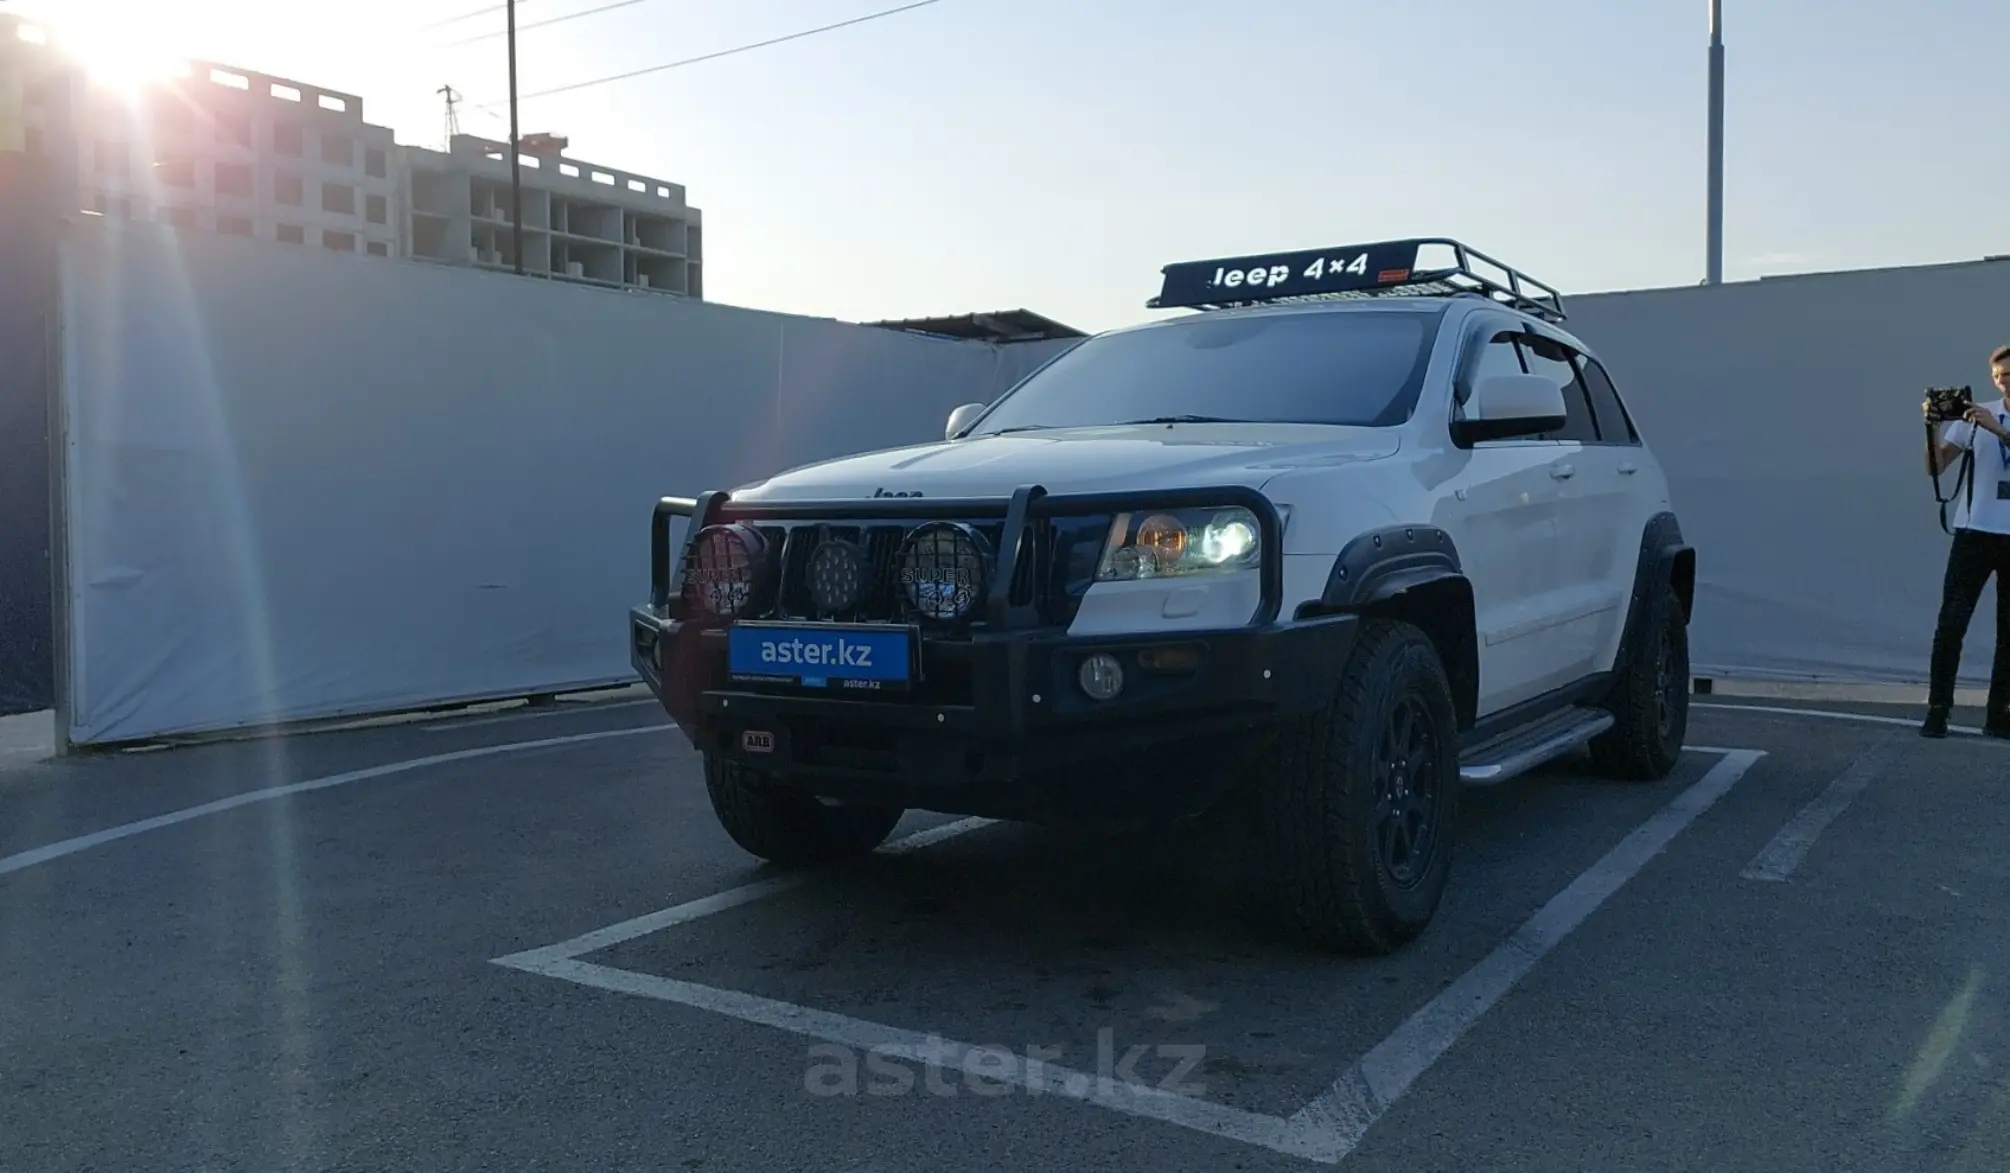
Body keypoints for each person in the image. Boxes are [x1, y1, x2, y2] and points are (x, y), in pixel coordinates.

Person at [1921, 343, 2010, 738]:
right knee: (1951, 623)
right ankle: (1938, 710)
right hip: (1975, 532)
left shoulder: (1990, 420)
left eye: (2007, 374)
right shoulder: (1974, 417)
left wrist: (1998, 429)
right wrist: (1933, 427)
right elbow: (1936, 466)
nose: (2002, 380)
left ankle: (1999, 714)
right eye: (1997, 375)